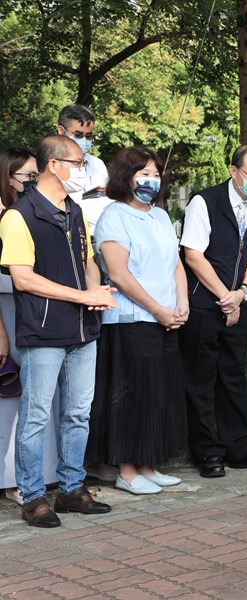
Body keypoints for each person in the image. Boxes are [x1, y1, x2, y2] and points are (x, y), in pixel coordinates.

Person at [0, 135, 117, 527]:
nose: (83, 171)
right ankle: (33, 498)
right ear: (55, 165)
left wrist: (95, 290)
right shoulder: (19, 216)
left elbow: (88, 261)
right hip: (44, 331)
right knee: (35, 417)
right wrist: (81, 296)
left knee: (78, 414)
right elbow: (23, 279)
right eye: (78, 163)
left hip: (83, 331)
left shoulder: (76, 212)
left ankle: (70, 489)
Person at [84, 146, 188, 495]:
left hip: (166, 318)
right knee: (131, 395)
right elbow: (119, 274)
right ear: (125, 177)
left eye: (156, 174)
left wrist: (181, 302)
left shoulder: (159, 215)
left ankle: (148, 463)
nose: (150, 180)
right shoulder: (114, 216)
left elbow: (175, 263)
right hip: (131, 320)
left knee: (159, 393)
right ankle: (126, 470)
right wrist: (157, 309)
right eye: (143, 174)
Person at [179, 143, 247, 478]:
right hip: (205, 304)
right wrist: (225, 297)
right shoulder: (204, 202)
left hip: (238, 301)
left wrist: (243, 293)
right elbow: (193, 254)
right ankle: (208, 452)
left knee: (234, 377)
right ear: (234, 172)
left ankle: (240, 446)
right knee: (201, 379)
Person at [0, 148, 61, 507]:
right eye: (27, 176)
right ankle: (13, 479)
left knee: (39, 397)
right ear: (9, 178)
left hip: (36, 308)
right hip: (6, 309)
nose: (35, 181)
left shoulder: (35, 212)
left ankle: (42, 473)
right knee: (12, 396)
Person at [56, 104, 111, 233]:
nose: (84, 140)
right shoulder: (50, 166)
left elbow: (107, 202)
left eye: (89, 136)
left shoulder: (97, 165)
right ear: (61, 131)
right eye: (78, 134)